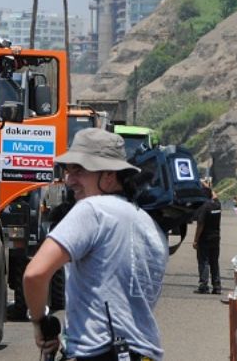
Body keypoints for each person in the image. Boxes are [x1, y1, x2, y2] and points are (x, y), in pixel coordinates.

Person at [23, 128, 167, 361]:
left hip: (100, 351)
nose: (69, 180)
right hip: (144, 352)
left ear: (109, 175)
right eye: (68, 170)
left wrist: (40, 321)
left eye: (79, 170)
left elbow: (35, 274)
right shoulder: (147, 223)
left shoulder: (93, 209)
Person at [192, 187, 221, 295]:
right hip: (216, 238)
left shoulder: (204, 207)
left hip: (204, 239)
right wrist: (207, 186)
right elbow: (215, 195)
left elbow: (200, 224)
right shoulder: (217, 205)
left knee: (204, 262)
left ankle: (204, 285)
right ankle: (217, 286)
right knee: (214, 262)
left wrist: (195, 240)